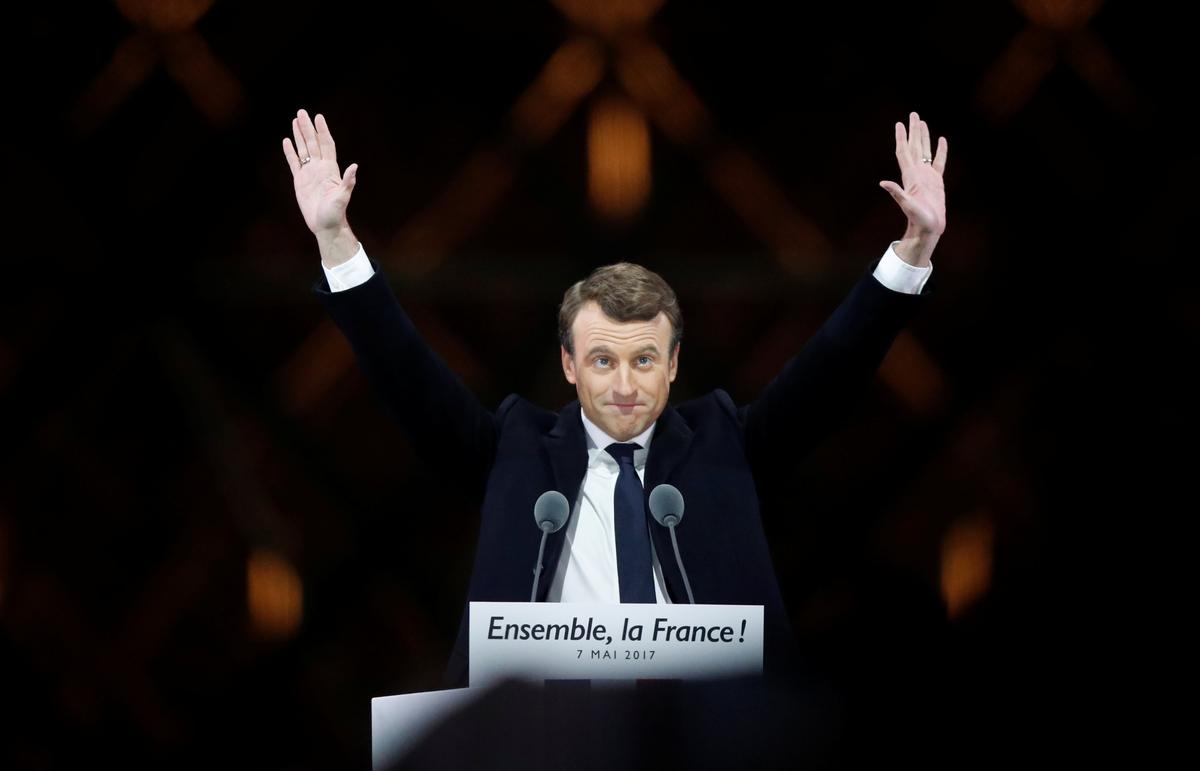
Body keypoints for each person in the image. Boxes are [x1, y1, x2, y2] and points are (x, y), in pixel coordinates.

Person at [282, 107, 947, 687]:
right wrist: (335, 240)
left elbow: (832, 370)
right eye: (603, 359)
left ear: (674, 364)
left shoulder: (726, 442)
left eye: (644, 359)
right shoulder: (514, 448)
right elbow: (407, 375)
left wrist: (914, 248)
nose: (625, 384)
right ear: (568, 365)